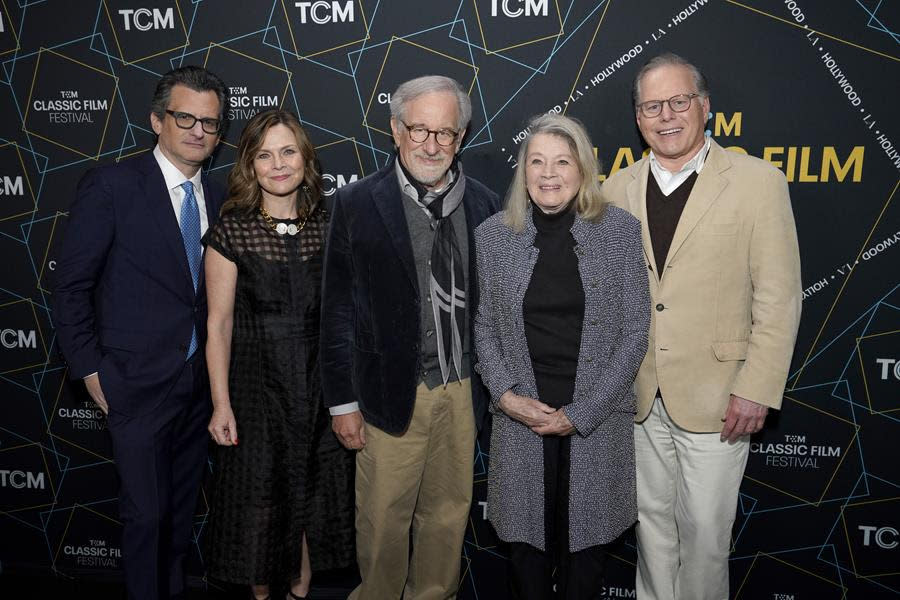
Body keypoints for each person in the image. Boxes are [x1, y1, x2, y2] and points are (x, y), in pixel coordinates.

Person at [600, 53, 802, 600]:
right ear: (638, 118)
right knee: (651, 533)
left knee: (708, 538)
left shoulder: (758, 182)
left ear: (704, 107)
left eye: (678, 101)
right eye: (651, 106)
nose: (666, 115)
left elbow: (779, 298)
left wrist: (756, 387)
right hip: (638, 397)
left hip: (721, 399)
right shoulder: (614, 191)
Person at [320, 75, 500, 599]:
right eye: (419, 129)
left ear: (461, 136)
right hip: (386, 395)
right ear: (396, 130)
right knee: (382, 522)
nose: (431, 144)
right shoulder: (355, 204)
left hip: (463, 391)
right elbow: (336, 314)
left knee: (447, 518)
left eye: (444, 133)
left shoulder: (485, 205)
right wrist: (341, 403)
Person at [52, 65, 227, 600]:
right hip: (133, 384)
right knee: (146, 518)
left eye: (211, 123)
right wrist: (89, 367)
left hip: (200, 388)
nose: (198, 131)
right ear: (157, 120)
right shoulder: (112, 186)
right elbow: (70, 286)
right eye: (185, 118)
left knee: (176, 519)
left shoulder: (222, 198)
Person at [473, 113, 650, 599]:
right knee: (526, 559)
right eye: (537, 162)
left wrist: (582, 414)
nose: (548, 174)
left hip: (594, 420)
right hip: (521, 421)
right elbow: (483, 328)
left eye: (562, 162)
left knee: (585, 561)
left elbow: (636, 330)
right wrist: (508, 398)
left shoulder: (619, 232)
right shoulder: (493, 235)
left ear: (583, 169)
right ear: (523, 171)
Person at [202, 109, 354, 600]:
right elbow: (218, 325)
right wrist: (221, 404)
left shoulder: (331, 227)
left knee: (311, 502)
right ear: (250, 165)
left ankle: (300, 594)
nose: (278, 164)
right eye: (264, 155)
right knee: (261, 504)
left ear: (305, 159)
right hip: (255, 393)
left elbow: (346, 319)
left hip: (318, 389)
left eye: (288, 151)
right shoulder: (231, 233)